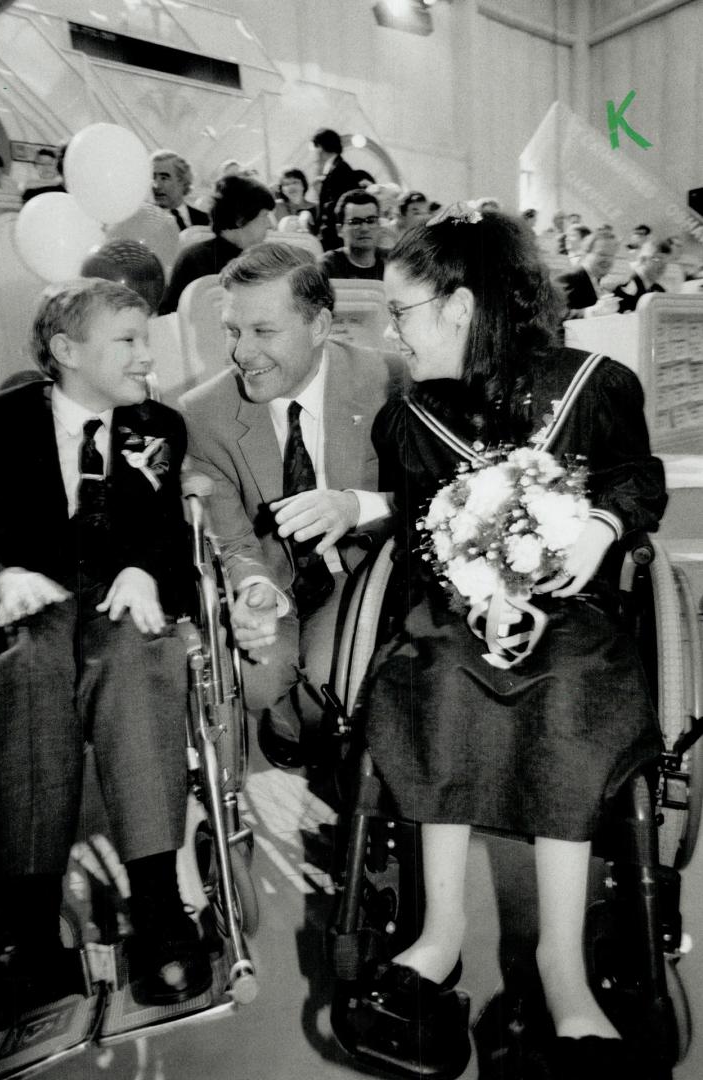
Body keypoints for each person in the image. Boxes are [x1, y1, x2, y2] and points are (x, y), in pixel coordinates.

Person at [360, 209, 666, 1079]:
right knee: (444, 673)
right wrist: (481, 596)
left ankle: (564, 974)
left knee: (568, 692)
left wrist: (603, 525)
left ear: (458, 307)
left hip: (577, 616)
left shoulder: (594, 386)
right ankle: (441, 934)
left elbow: (634, 479)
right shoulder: (412, 420)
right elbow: (422, 537)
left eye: (402, 311)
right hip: (459, 614)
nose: (395, 332)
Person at [0, 279, 211, 1020]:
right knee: (30, 664)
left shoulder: (156, 425)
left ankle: (159, 909)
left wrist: (144, 568)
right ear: (66, 352)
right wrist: (6, 576)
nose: (145, 354)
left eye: (146, 338)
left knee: (134, 654)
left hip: (115, 602)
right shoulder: (1, 420)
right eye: (126, 340)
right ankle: (26, 931)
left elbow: (164, 528)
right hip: (33, 603)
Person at [180, 242, 396, 769]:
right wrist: (252, 587)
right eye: (233, 330)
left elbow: (433, 496)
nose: (240, 353)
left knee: (333, 678)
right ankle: (285, 716)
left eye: (263, 332)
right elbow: (231, 537)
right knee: (255, 677)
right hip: (278, 579)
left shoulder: (390, 383)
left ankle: (320, 727)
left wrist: (354, 505)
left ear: (319, 326)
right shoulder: (203, 413)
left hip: (361, 575)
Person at [159, 174, 274, 314]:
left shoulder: (265, 261)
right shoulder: (194, 260)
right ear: (240, 218)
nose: (270, 225)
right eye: (264, 216)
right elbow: (170, 318)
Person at [318, 190, 387, 280]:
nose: (364, 229)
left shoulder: (394, 262)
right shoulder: (326, 267)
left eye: (371, 221)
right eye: (355, 222)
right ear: (340, 230)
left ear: (379, 226)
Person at [310, 127, 358, 251]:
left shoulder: (339, 170)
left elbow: (334, 206)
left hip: (333, 238)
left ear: (320, 147)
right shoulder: (338, 167)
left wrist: (322, 232)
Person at [555, 232, 620, 319]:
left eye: (611, 255)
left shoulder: (598, 280)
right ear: (585, 254)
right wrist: (592, 312)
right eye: (602, 254)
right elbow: (555, 315)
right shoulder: (569, 278)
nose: (607, 260)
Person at [151, 149, 209, 230]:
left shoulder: (207, 221)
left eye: (164, 178)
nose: (156, 185)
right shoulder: (143, 221)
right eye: (153, 178)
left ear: (183, 180)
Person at [612, 237, 671, 313]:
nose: (663, 265)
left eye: (666, 262)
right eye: (657, 259)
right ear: (643, 260)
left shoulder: (660, 291)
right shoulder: (625, 285)